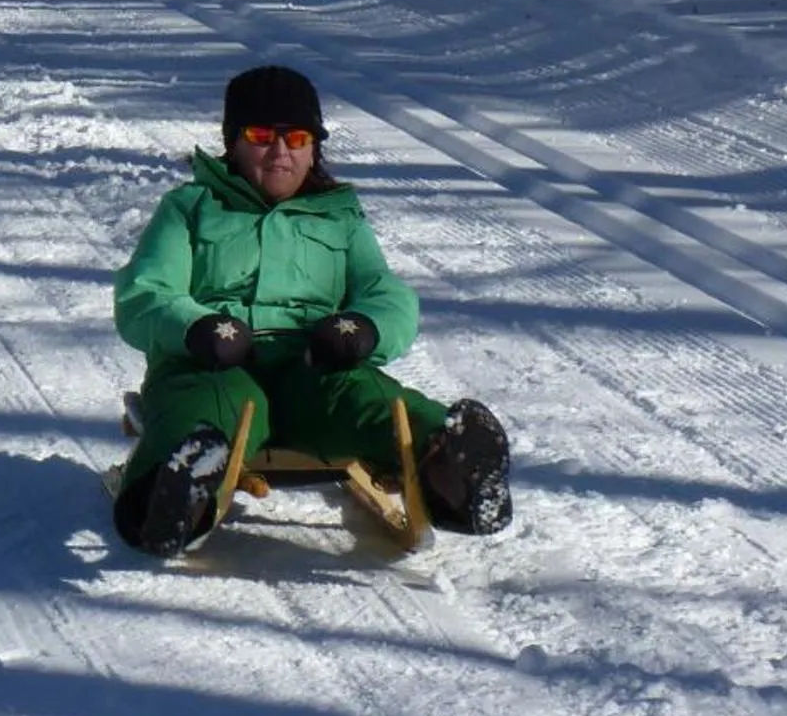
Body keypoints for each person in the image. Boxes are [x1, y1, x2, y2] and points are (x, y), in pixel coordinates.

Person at [110, 64, 512, 556]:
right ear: (233, 141)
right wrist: (197, 327)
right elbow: (144, 293)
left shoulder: (338, 215)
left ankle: (452, 466)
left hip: (309, 369)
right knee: (210, 409)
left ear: (313, 147)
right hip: (210, 366)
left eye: (297, 138)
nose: (281, 152)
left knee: (365, 397)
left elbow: (385, 292)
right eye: (262, 136)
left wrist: (364, 329)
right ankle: (170, 495)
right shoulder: (191, 206)